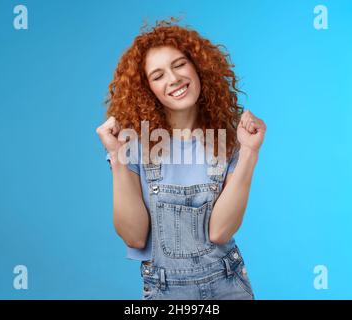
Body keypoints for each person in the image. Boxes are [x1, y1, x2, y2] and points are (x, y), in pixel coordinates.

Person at [96, 18, 266, 300]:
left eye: (179, 65)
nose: (173, 79)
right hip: (165, 291)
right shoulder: (133, 143)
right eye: (158, 75)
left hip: (228, 285)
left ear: (198, 67)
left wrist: (250, 151)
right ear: (146, 87)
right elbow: (133, 236)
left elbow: (220, 232)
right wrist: (117, 157)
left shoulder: (231, 139)